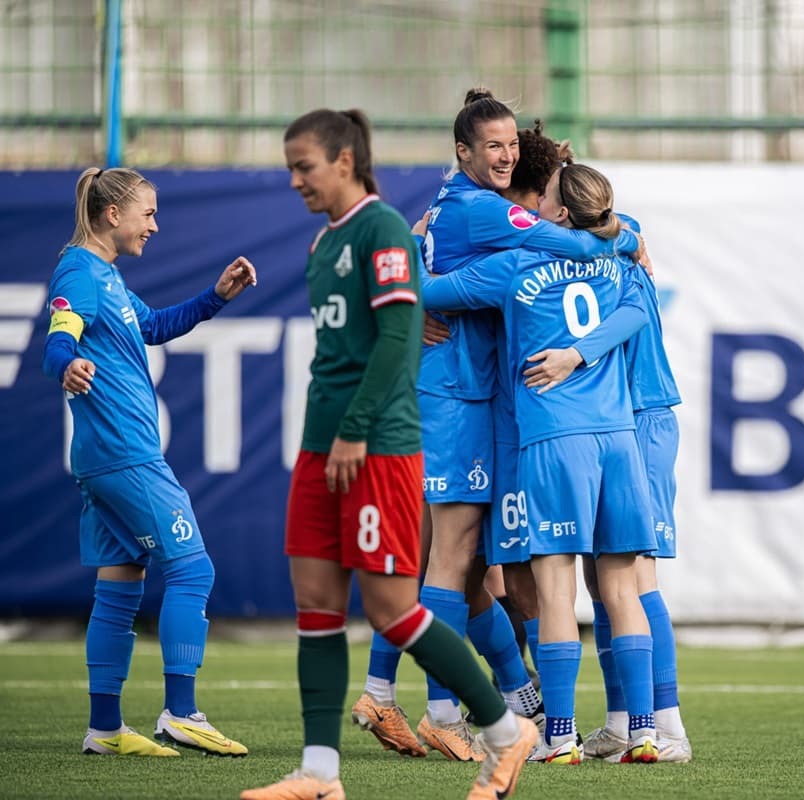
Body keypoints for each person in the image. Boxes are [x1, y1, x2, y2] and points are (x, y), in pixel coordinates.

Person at [241, 108, 536, 800]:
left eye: (303, 165)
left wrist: (357, 429)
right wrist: (324, 437)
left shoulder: (385, 232)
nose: (293, 180)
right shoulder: (323, 245)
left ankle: (505, 730)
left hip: (378, 447)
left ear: (344, 162)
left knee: (392, 609)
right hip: (321, 449)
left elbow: (401, 342)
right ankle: (319, 775)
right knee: (314, 606)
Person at [355, 89, 644, 762]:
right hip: (456, 393)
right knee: (455, 555)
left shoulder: (459, 210)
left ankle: (493, 693)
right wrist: (625, 235)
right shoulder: (490, 215)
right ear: (463, 151)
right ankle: (441, 709)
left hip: (475, 394)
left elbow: (421, 262)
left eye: (513, 146)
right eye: (495, 145)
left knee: (468, 560)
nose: (507, 155)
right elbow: (553, 237)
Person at [421, 162, 661, 766]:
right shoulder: (617, 260)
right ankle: (644, 731)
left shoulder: (513, 266)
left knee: (554, 592)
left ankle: (558, 737)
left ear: (553, 213)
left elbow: (426, 293)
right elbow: (636, 311)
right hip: (619, 438)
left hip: (556, 442)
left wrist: (417, 235)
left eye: (541, 198)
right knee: (620, 589)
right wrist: (582, 353)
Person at [42, 166, 254, 758]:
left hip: (103, 457)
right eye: (149, 213)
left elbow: (154, 325)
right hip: (125, 455)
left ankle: (105, 730)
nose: (155, 226)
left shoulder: (106, 278)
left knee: (120, 587)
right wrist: (65, 363)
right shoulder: (80, 272)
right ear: (114, 214)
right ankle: (181, 712)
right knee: (194, 571)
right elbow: (60, 334)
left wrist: (216, 298)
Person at [526, 209, 692, 762]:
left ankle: (666, 728)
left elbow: (621, 223)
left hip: (639, 415)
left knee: (635, 579)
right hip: (621, 419)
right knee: (604, 583)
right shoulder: (603, 247)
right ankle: (626, 724)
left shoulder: (603, 244)